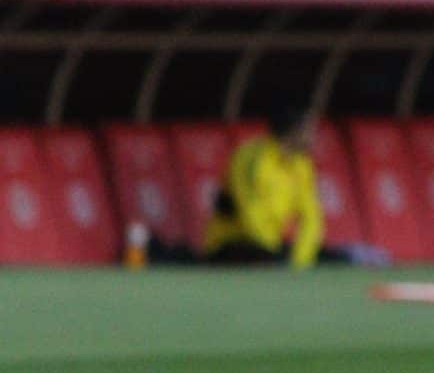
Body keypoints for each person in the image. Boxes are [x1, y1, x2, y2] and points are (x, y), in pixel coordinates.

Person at [135, 102, 354, 268]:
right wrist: (279, 255)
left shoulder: (301, 165)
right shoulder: (253, 160)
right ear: (293, 130)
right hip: (234, 242)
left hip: (271, 245)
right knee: (266, 260)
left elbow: (311, 216)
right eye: (309, 130)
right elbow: (251, 216)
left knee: (334, 258)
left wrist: (299, 260)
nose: (313, 137)